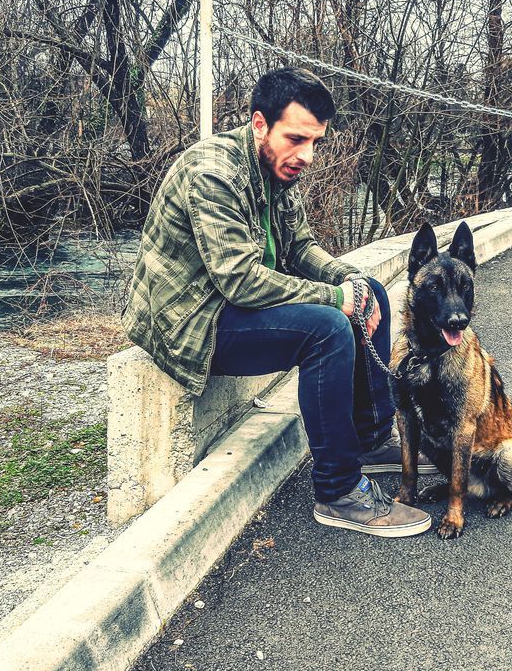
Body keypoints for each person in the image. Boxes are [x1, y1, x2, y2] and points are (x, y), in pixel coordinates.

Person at [123, 67, 434, 536]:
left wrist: (349, 281)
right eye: (295, 139)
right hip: (189, 323)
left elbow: (301, 248)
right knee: (327, 329)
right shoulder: (213, 172)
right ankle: (338, 491)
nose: (306, 156)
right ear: (259, 124)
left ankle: (371, 441)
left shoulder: (277, 170)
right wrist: (335, 298)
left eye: (315, 143)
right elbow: (241, 281)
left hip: (228, 306)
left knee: (368, 292)